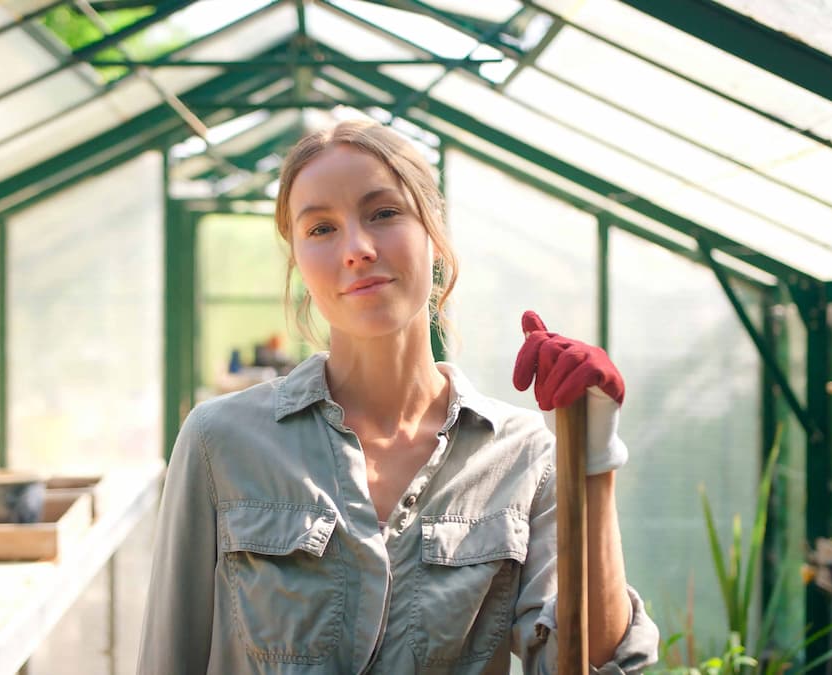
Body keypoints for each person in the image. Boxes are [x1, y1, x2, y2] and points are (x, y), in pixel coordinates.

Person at [138, 120, 659, 674]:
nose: (358, 249)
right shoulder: (221, 442)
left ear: (434, 234)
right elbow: (170, 658)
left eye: (383, 213)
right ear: (298, 261)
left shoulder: (526, 453)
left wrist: (594, 458)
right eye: (320, 229)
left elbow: (588, 663)